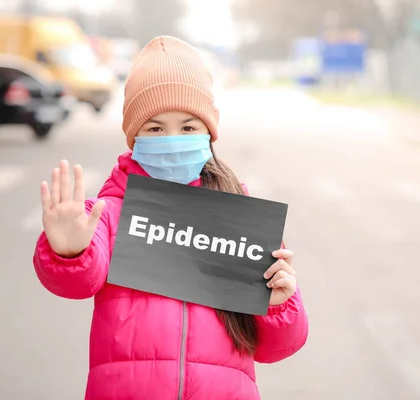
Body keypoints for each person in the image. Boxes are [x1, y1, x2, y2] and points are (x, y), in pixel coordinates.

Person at [33, 36, 308, 400]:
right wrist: (68, 253)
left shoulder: (238, 220)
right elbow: (78, 280)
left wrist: (278, 302)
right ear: (134, 137)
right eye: (156, 128)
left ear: (209, 133)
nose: (172, 139)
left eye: (188, 127)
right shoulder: (110, 213)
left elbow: (275, 347)